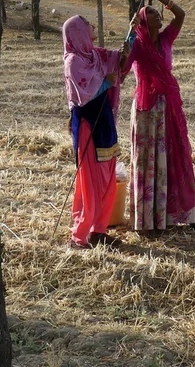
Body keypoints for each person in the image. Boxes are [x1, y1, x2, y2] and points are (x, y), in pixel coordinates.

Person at [124, 0, 195, 235]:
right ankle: (149, 220)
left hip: (168, 107)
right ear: (142, 22)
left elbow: (181, 14)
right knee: (149, 162)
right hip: (147, 111)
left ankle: (185, 213)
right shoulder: (138, 46)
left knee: (177, 157)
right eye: (150, 12)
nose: (157, 14)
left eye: (157, 11)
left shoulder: (166, 39)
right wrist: (128, 36)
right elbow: (121, 69)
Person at [62, 15, 130, 249]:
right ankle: (80, 235)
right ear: (78, 32)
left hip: (104, 123)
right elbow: (83, 95)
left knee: (107, 180)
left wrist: (128, 44)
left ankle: (99, 231)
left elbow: (117, 63)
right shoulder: (73, 61)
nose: (92, 27)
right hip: (88, 126)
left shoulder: (95, 55)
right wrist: (105, 83)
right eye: (87, 24)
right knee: (90, 184)